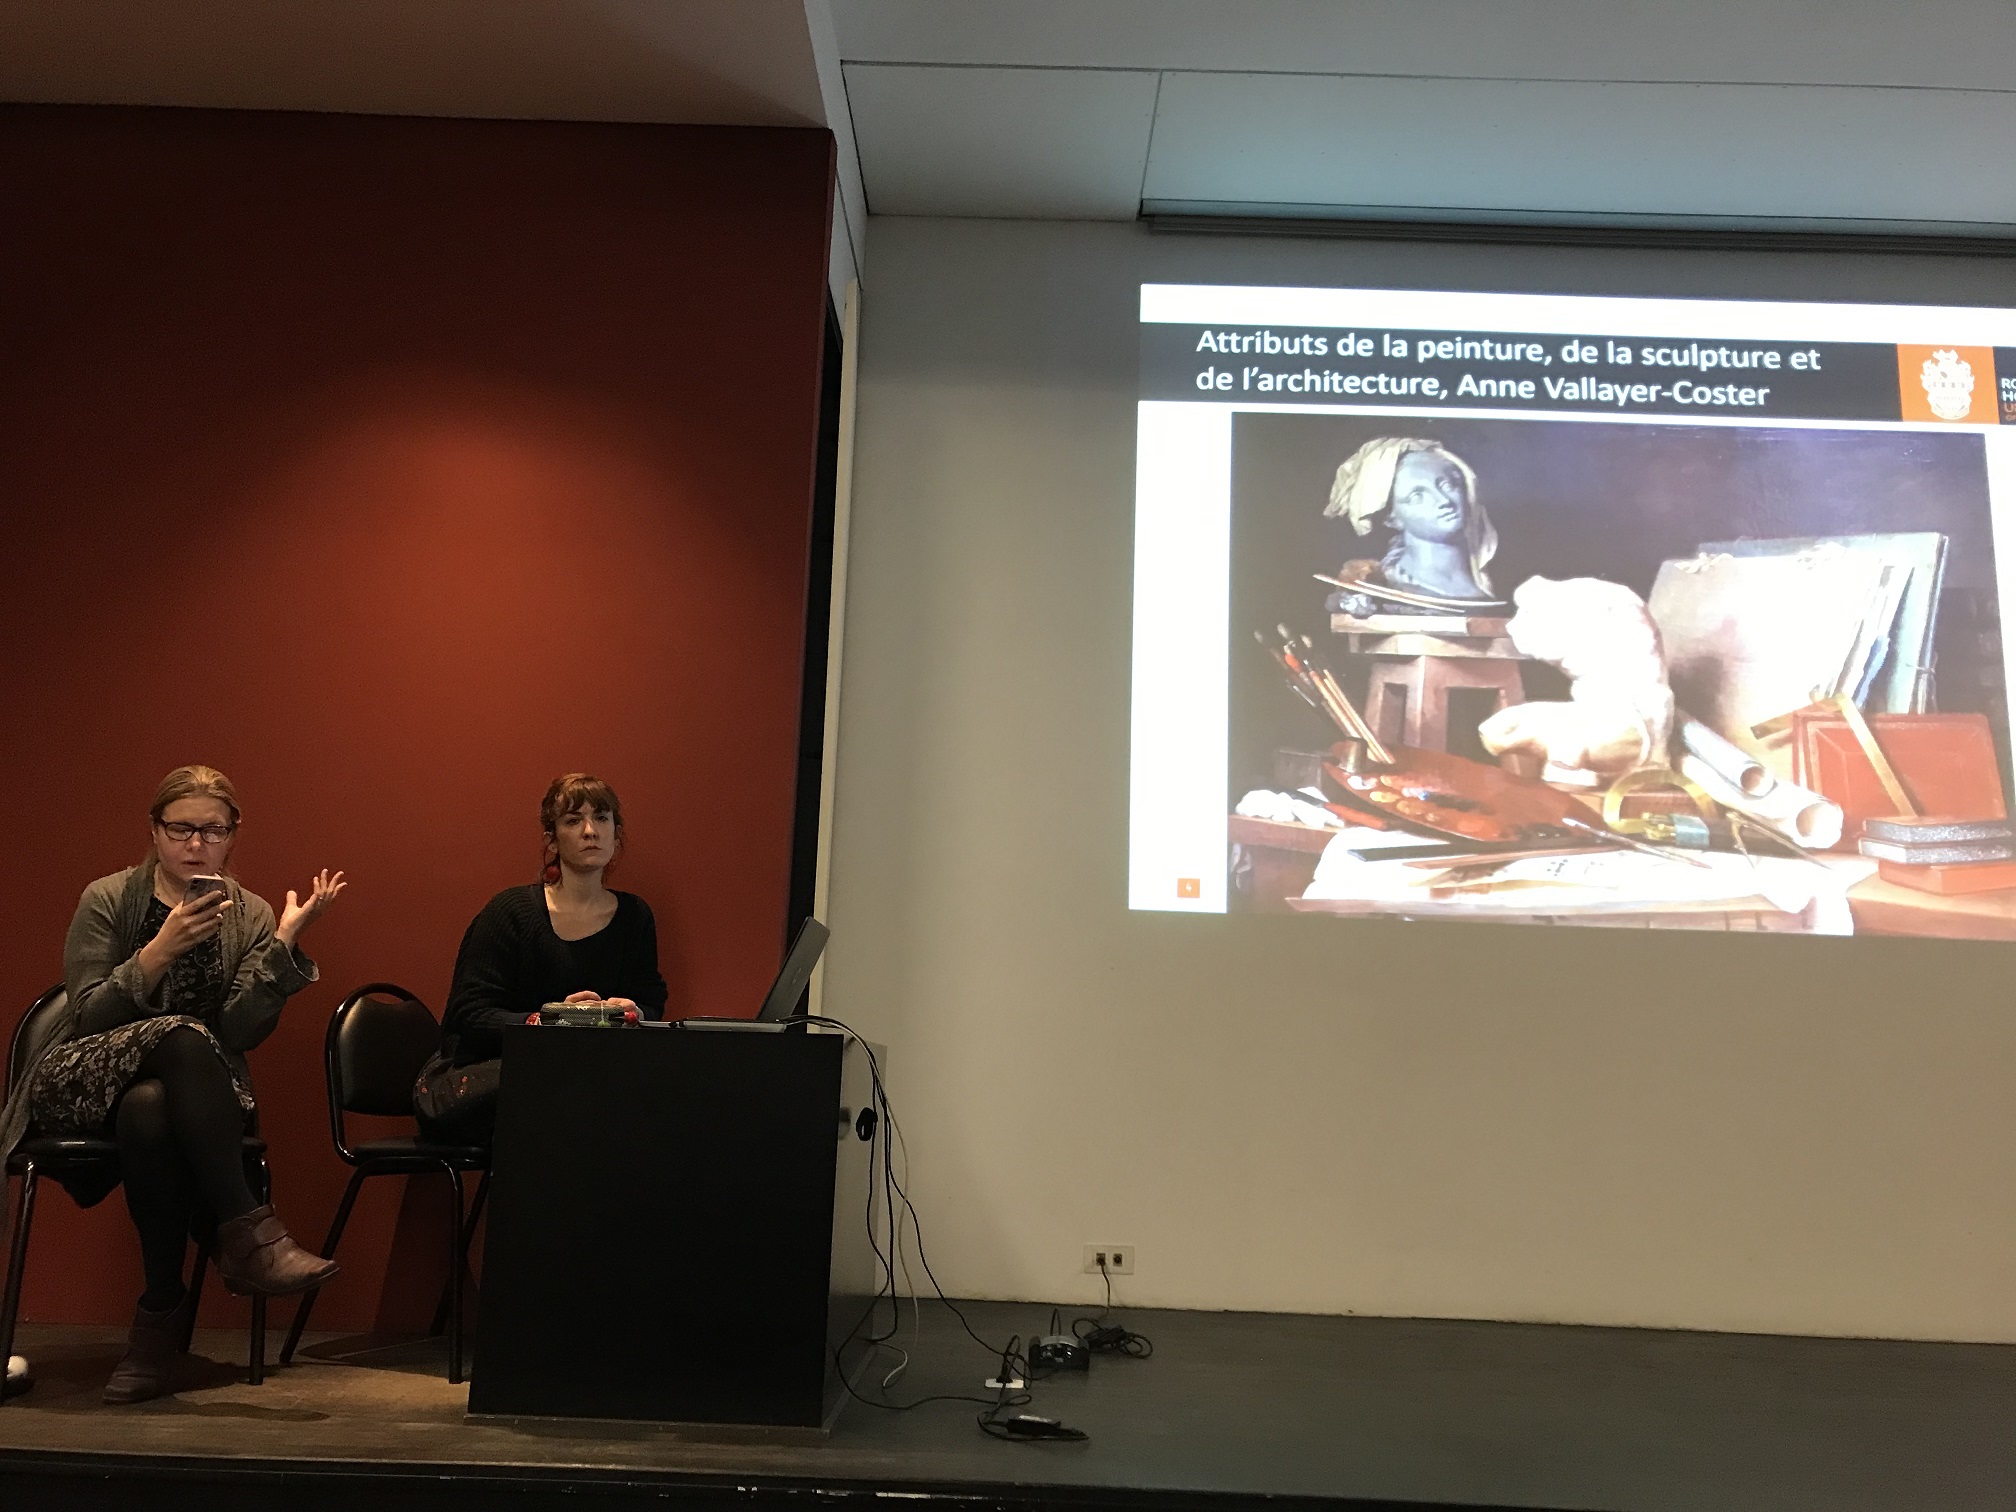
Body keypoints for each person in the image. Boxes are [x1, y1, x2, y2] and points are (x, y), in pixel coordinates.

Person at [0, 765, 346, 1405]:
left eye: (212, 831)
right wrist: (159, 949)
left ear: (232, 837)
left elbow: (238, 1034)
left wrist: (283, 949)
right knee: (182, 1032)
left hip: (184, 1098)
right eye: (181, 828)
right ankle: (245, 1232)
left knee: (152, 1108)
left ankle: (157, 1321)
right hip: (78, 1080)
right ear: (155, 831)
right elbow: (83, 1016)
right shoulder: (108, 899)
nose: (196, 844)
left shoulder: (250, 914)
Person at [416, 774, 668, 1144]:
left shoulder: (635, 916)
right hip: (479, 1079)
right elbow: (468, 1016)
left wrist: (632, 1013)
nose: (590, 831)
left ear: (617, 833)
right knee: (580, 1093)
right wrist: (552, 1019)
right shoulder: (511, 911)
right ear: (551, 838)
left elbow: (651, 999)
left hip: (580, 1078)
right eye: (572, 820)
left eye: (601, 818)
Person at [1323, 436, 1501, 612]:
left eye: (1448, 485)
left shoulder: (1502, 584)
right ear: (1392, 518)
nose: (1443, 501)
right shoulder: (1380, 588)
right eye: (1417, 496)